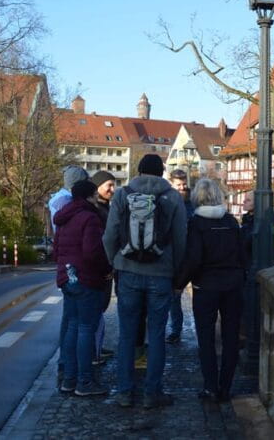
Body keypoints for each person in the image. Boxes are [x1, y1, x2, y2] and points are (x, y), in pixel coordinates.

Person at [103, 154, 187, 409]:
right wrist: (176, 272)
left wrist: (115, 261)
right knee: (157, 334)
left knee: (127, 334)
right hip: (161, 273)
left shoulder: (122, 194)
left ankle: (124, 392)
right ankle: (153, 393)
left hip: (127, 271)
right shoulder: (172, 197)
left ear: (138, 170)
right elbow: (181, 239)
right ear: (162, 172)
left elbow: (110, 235)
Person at [176, 178, 247, 403]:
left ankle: (210, 387)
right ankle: (226, 387)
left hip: (206, 286)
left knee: (206, 338)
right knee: (230, 337)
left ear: (198, 197)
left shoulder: (196, 223)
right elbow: (242, 254)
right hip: (233, 285)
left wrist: (179, 284)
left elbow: (193, 258)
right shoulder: (231, 222)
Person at [53, 180, 113, 396]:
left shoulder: (63, 216)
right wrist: (107, 269)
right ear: (89, 196)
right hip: (87, 279)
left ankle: (69, 379)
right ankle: (85, 381)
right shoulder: (90, 217)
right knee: (87, 329)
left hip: (67, 278)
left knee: (71, 328)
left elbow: (56, 250)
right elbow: (92, 251)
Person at [46, 165, 88, 385]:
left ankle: (66, 367)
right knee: (78, 323)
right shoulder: (72, 206)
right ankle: (75, 372)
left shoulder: (56, 201)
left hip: (65, 267)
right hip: (77, 270)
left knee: (69, 320)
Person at [90, 170, 116, 365]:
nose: (112, 189)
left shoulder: (106, 207)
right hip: (100, 268)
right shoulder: (96, 210)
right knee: (96, 309)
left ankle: (96, 346)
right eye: (109, 185)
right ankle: (92, 351)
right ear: (97, 186)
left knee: (100, 309)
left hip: (107, 266)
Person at [166, 169, 194, 344]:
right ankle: (175, 330)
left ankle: (177, 329)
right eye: (178, 185)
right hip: (173, 256)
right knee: (172, 298)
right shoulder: (167, 201)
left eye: (184, 184)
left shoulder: (192, 203)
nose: (182, 188)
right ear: (171, 185)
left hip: (190, 255)